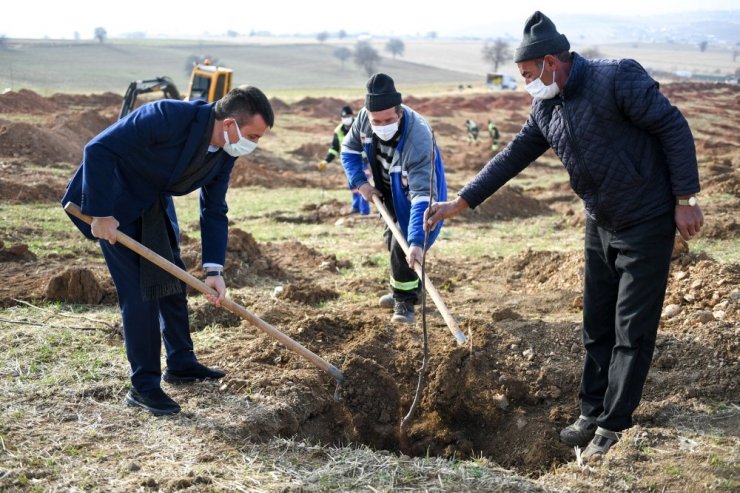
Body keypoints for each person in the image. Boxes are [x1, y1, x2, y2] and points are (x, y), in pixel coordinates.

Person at [425, 11, 703, 460]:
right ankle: (591, 412)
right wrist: (462, 201)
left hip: (646, 218)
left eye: (530, 74)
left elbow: (672, 126)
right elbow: (512, 155)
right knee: (596, 324)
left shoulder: (617, 78)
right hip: (601, 222)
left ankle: (614, 425)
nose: (527, 84)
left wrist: (685, 197)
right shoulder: (546, 107)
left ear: (552, 62)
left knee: (631, 329)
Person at [61, 87, 275, 416]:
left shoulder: (225, 152)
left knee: (172, 282)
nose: (254, 145)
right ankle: (143, 387)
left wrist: (214, 271)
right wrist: (101, 213)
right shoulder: (167, 116)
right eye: (253, 135)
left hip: (153, 203)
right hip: (113, 204)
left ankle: (181, 363)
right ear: (230, 123)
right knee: (140, 293)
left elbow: (214, 209)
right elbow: (99, 149)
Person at [341, 73, 447, 324]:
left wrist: (417, 241)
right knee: (393, 239)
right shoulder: (363, 121)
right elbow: (348, 150)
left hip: (419, 193)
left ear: (400, 113)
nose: (382, 125)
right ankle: (410, 291)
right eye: (376, 120)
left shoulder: (418, 138)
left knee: (406, 244)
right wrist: (361, 184)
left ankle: (403, 301)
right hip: (387, 188)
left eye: (389, 119)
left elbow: (423, 197)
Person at [318, 105, 370, 215]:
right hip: (350, 163)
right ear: (341, 117)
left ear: (352, 116)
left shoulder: (361, 126)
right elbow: (334, 149)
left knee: (363, 185)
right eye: (344, 116)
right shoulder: (338, 131)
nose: (347, 118)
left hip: (363, 161)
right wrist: (326, 161)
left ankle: (364, 211)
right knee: (353, 186)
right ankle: (356, 207)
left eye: (348, 116)